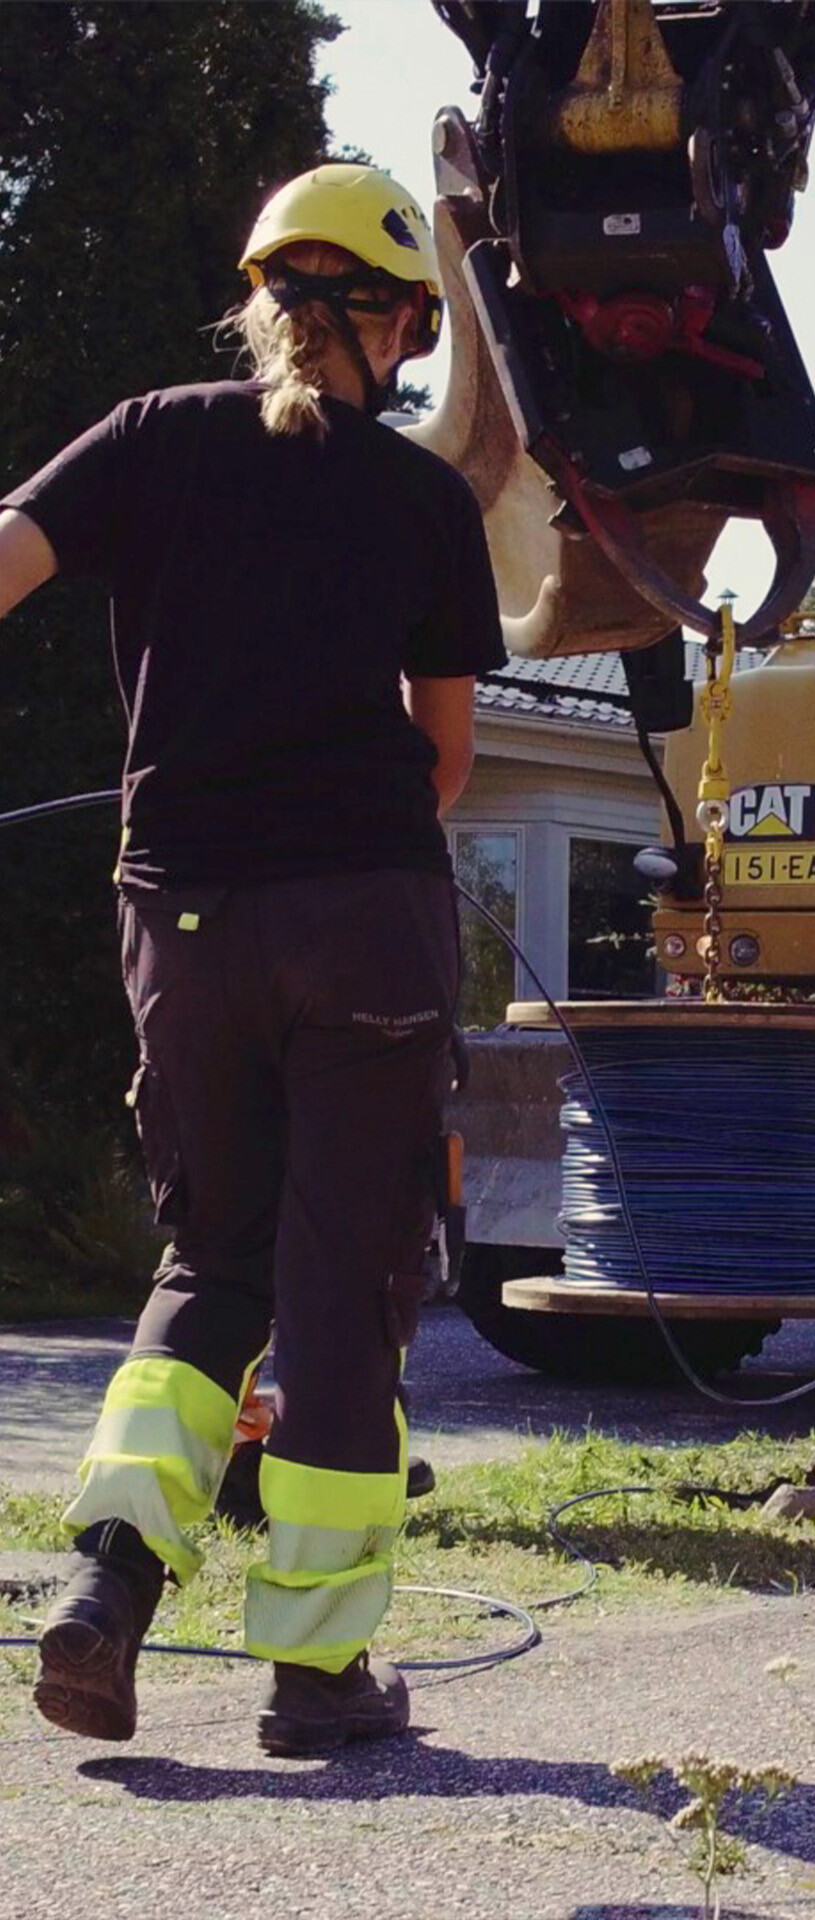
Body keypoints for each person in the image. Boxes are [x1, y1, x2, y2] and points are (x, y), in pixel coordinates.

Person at [0, 162, 506, 1755]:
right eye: (414, 320)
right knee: (342, 1290)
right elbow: (445, 761)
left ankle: (101, 1595)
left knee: (207, 1267)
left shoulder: (154, 434)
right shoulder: (426, 500)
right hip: (362, 920)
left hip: (185, 923)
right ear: (381, 316)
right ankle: (314, 1675)